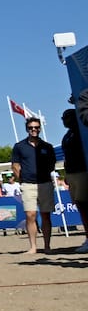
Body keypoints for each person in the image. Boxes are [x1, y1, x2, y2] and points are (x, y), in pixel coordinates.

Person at [12, 117, 57, 254]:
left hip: (45, 183)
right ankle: (33, 247)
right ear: (27, 129)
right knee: (30, 215)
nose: (34, 130)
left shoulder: (47, 146)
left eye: (36, 127)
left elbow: (52, 165)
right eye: (31, 127)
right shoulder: (19, 146)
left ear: (40, 128)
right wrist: (22, 180)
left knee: (45, 215)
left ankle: (47, 246)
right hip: (28, 184)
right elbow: (15, 165)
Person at [59, 108, 88, 253]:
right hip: (71, 174)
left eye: (68, 117)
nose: (65, 120)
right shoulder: (67, 136)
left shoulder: (82, 132)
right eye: (63, 118)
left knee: (85, 205)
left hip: (82, 172)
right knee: (80, 206)